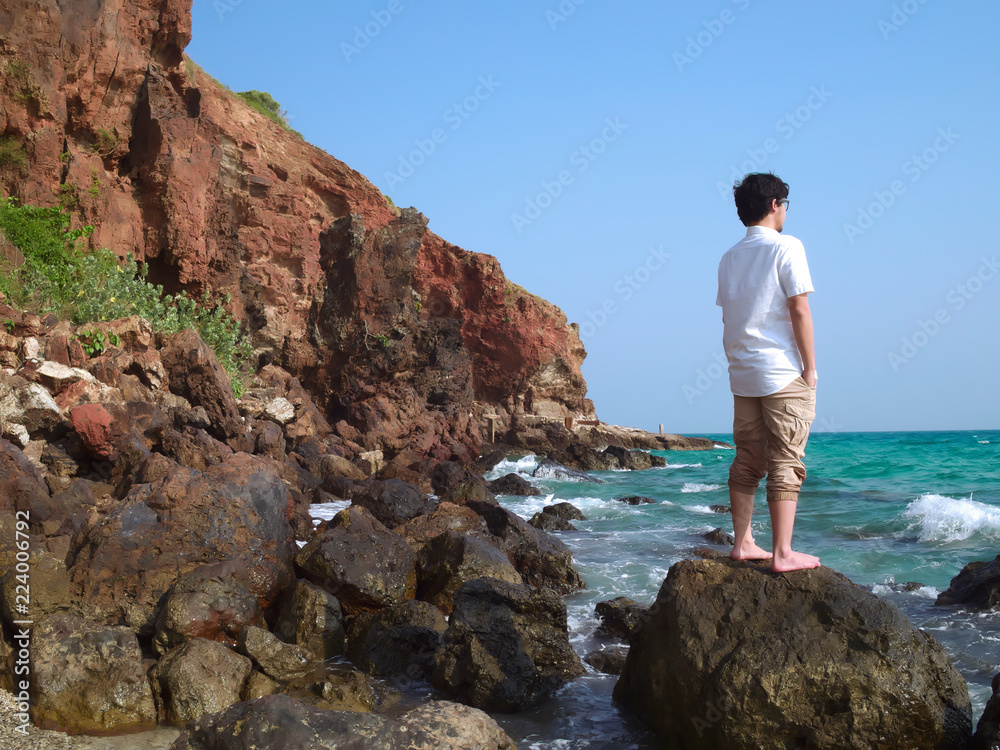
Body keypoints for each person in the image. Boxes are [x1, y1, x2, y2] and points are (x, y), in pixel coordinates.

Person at [716, 172, 820, 573]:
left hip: (742, 373)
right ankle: (782, 553)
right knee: (786, 460)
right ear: (775, 204)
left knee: (748, 459)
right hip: (780, 370)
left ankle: (743, 543)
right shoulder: (786, 246)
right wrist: (810, 368)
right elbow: (799, 309)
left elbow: (730, 315)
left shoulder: (729, 257)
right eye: (785, 205)